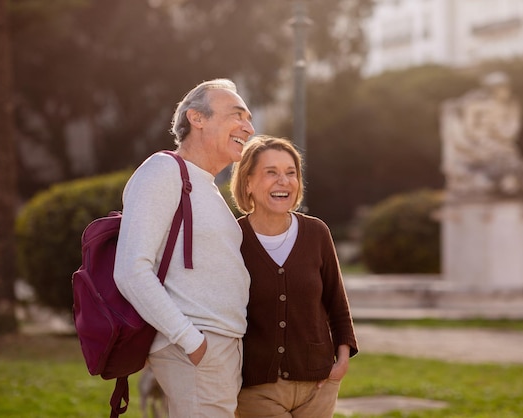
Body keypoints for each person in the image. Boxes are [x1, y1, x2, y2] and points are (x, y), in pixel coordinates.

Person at [114, 78, 255, 417]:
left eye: (249, 119)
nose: (248, 128)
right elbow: (131, 269)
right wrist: (191, 342)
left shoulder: (206, 186)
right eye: (237, 115)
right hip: (196, 348)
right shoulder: (163, 170)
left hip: (218, 347)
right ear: (198, 118)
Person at [230, 135, 358, 418]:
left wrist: (342, 361)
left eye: (291, 173)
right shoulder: (232, 237)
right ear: (248, 182)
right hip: (256, 387)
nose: (283, 181)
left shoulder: (317, 233)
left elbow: (337, 301)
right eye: (271, 173)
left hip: (319, 383)